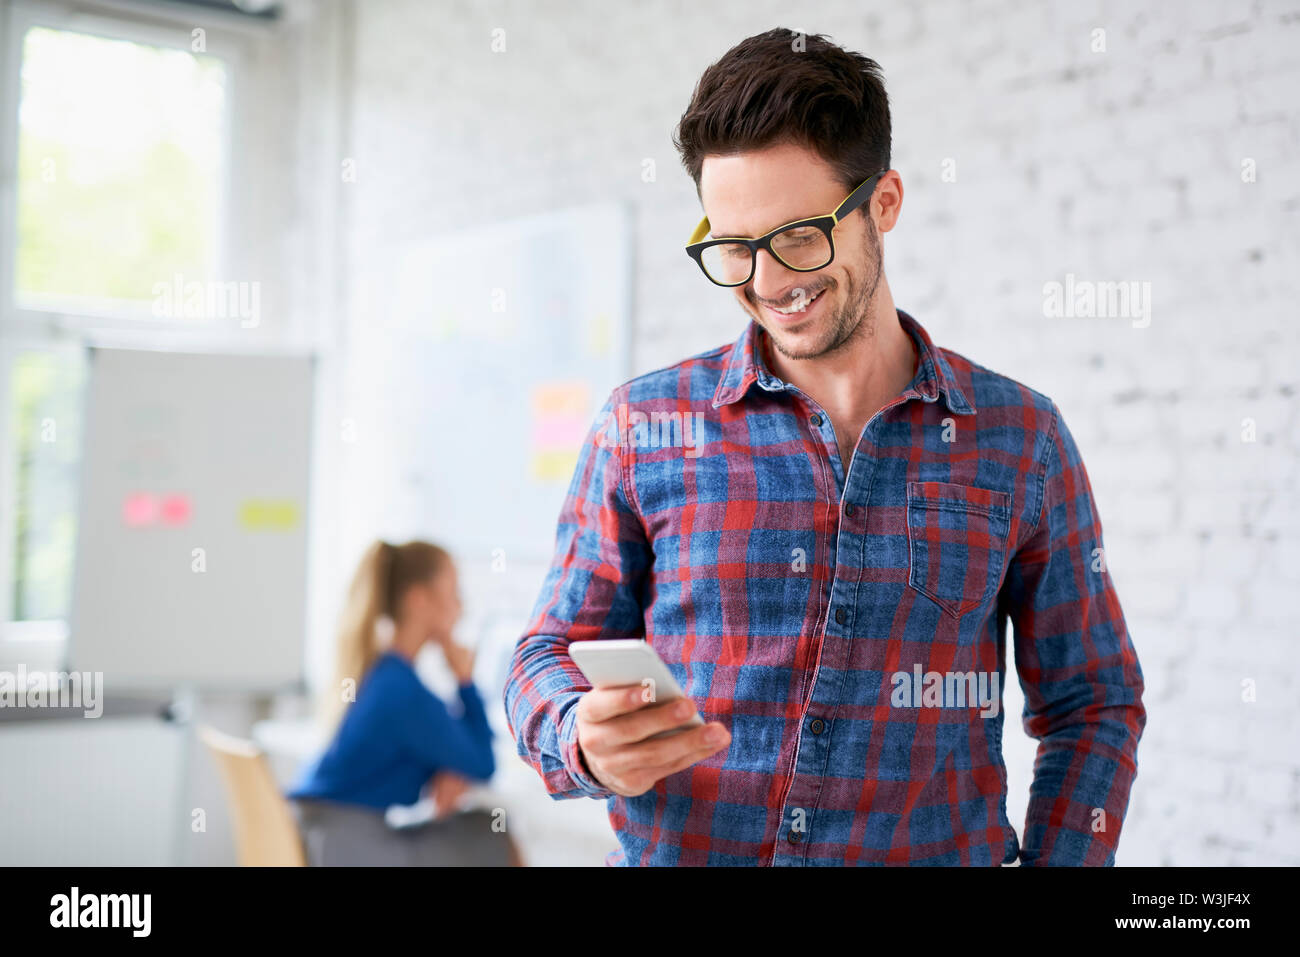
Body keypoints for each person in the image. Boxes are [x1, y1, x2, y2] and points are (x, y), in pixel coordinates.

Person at [504, 28, 1145, 866]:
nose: (767, 282)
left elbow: (1092, 701)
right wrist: (577, 733)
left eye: (799, 236)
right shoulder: (643, 427)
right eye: (733, 247)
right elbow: (542, 653)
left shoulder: (1019, 438)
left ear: (883, 203)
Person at [288, 539, 520, 866]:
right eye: (454, 593)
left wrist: (445, 764)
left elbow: (445, 750)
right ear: (418, 600)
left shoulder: (383, 674)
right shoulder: (403, 691)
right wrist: (465, 681)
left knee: (478, 828)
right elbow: (484, 763)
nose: (461, 608)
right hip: (349, 848)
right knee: (491, 831)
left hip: (323, 838)